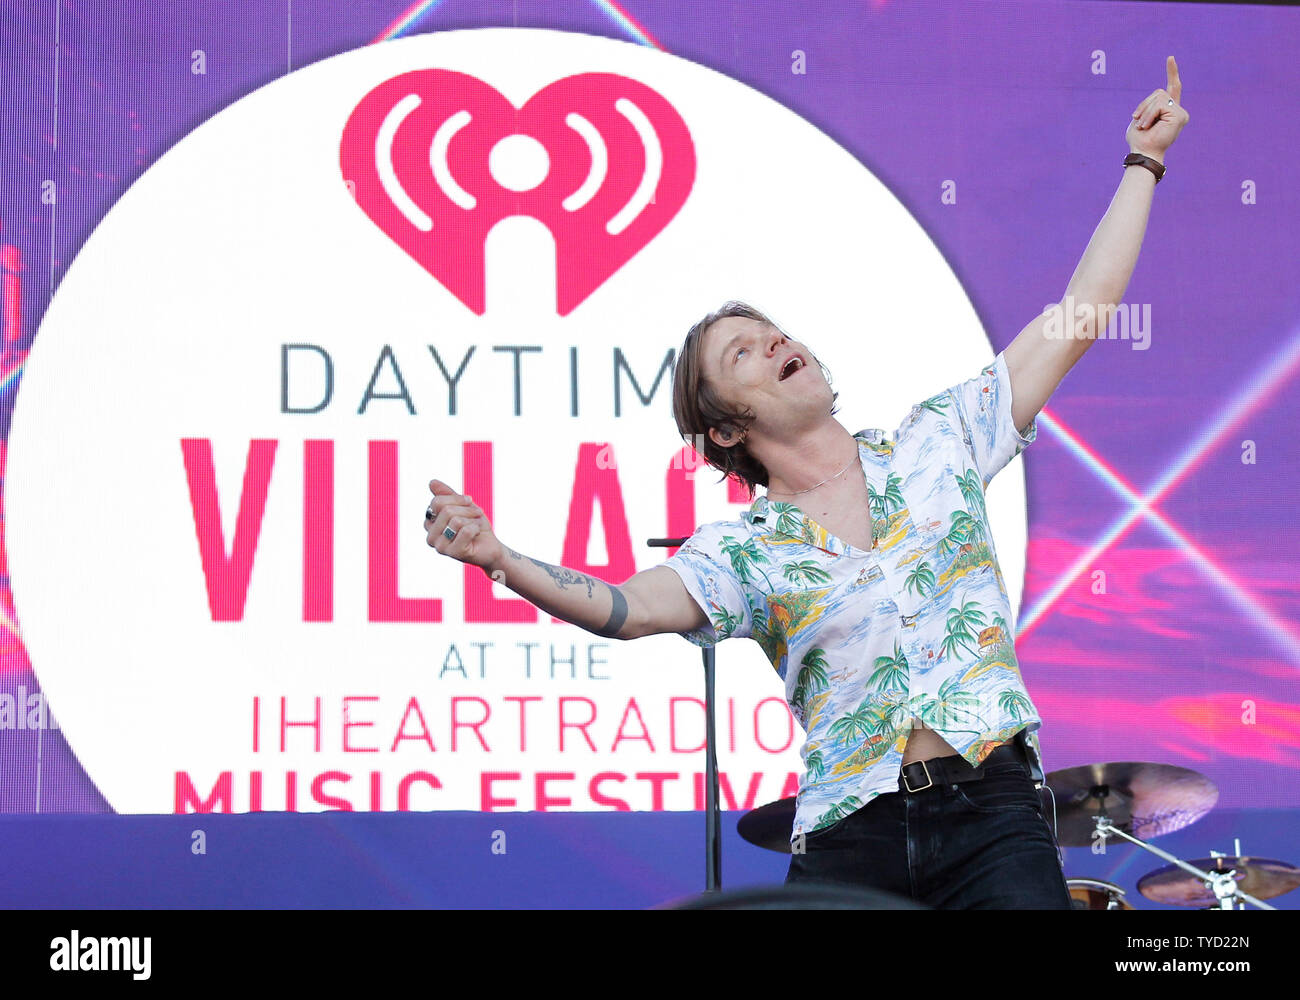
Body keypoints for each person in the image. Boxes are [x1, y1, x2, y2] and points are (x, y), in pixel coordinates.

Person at [423, 57, 1189, 908]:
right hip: (846, 832)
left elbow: (1081, 314)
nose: (778, 343)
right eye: (742, 353)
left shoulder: (940, 441)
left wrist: (1141, 164)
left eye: (774, 333)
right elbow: (625, 610)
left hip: (995, 811)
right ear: (725, 427)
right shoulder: (742, 551)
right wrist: (499, 556)